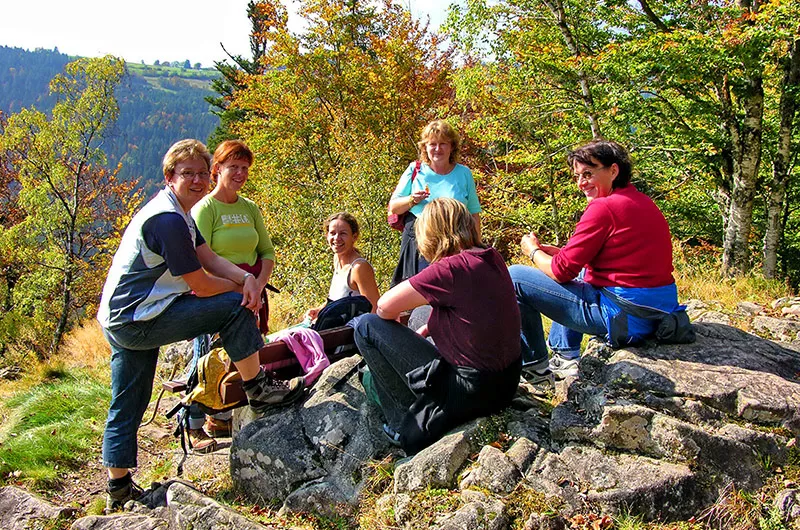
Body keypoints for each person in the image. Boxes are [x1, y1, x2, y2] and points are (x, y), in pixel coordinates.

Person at [97, 139, 304, 513]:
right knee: (231, 307)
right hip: (137, 320)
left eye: (199, 173)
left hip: (123, 317)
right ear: (169, 176)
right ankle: (257, 387)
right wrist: (243, 290)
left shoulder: (180, 213)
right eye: (186, 173)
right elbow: (202, 284)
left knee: (128, 401)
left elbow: (209, 256)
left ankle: (119, 489)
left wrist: (246, 280)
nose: (195, 180)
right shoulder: (168, 221)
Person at [355, 198, 521, 454]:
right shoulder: (490, 257)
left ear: (431, 234)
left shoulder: (449, 269)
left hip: (470, 391)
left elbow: (384, 308)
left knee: (365, 326)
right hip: (505, 384)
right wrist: (427, 329)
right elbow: (475, 307)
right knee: (424, 312)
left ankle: (401, 419)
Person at [508, 140, 681, 382]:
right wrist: (560, 253)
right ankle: (565, 354)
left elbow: (560, 272)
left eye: (588, 174)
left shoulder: (603, 208)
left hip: (626, 317)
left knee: (514, 277)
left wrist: (533, 251)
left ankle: (537, 367)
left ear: (613, 170)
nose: (581, 183)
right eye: (577, 176)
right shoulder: (641, 201)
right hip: (657, 311)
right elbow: (609, 259)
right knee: (581, 274)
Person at [185, 140, 276, 453]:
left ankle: (222, 418)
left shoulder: (249, 208)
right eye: (233, 167)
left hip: (252, 292)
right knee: (206, 358)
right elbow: (201, 260)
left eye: (244, 168)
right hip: (215, 292)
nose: (239, 173)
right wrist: (238, 286)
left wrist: (258, 285)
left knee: (244, 353)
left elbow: (266, 252)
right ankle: (192, 422)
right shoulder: (206, 209)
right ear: (217, 170)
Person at [388, 120, 482, 287]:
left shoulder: (464, 173)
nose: (437, 149)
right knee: (422, 290)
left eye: (443, 144)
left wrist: (476, 247)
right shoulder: (415, 170)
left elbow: (474, 213)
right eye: (432, 144)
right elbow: (393, 206)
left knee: (454, 289)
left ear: (452, 147)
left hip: (456, 242)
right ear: (425, 147)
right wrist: (412, 199)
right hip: (420, 243)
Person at [305, 212, 380, 323]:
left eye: (343, 234)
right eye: (332, 233)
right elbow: (337, 300)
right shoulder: (337, 258)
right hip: (334, 328)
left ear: (354, 237)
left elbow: (374, 309)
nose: (337, 238)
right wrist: (319, 310)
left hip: (350, 333)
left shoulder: (359, 268)